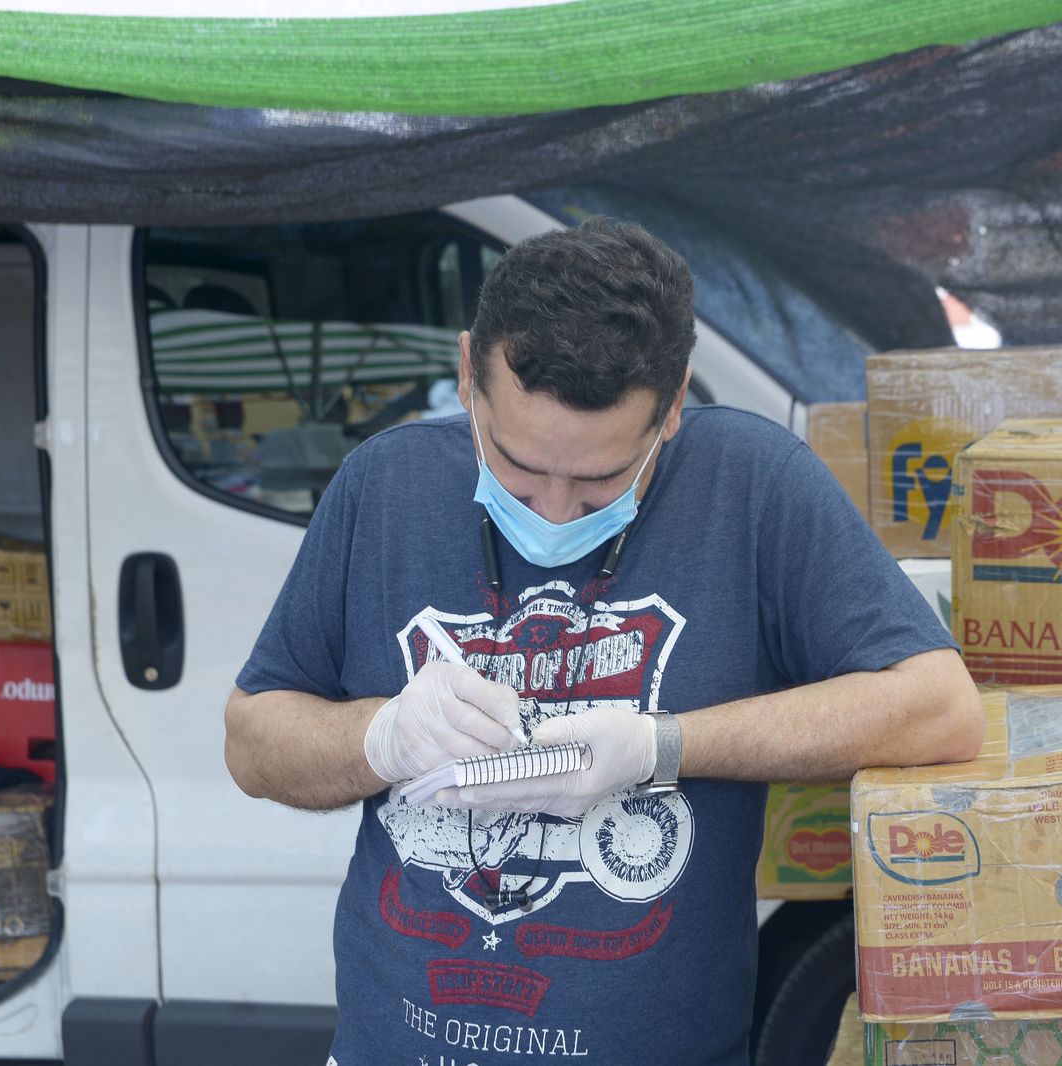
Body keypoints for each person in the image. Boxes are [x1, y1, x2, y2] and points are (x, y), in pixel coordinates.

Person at [224, 219, 982, 1065]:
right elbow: (253, 743)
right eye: (515, 465)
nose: (551, 511)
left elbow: (940, 709)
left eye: (597, 480)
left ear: (673, 406)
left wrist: (664, 743)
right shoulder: (385, 483)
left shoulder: (752, 485)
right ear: (469, 371)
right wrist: (380, 736)